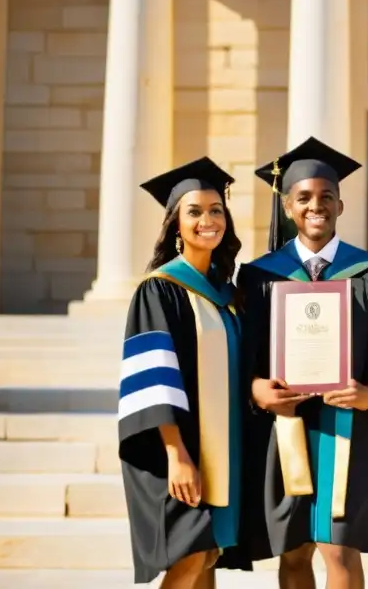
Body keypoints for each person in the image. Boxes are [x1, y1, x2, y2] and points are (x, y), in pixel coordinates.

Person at [237, 136, 368, 589]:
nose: (315, 206)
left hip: (347, 429)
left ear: (341, 204)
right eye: (303, 198)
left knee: (340, 550)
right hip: (285, 429)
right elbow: (243, 359)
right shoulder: (261, 275)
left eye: (326, 197)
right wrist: (258, 390)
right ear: (287, 206)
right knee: (294, 552)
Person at [118, 157, 252, 587]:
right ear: (176, 223)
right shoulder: (159, 289)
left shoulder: (227, 293)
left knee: (207, 553)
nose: (208, 220)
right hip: (177, 447)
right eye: (194, 211)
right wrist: (177, 456)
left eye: (216, 210)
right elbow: (154, 378)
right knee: (190, 556)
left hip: (223, 447)